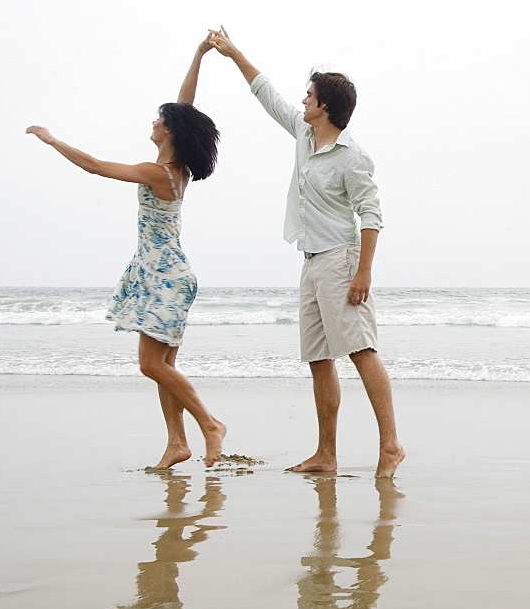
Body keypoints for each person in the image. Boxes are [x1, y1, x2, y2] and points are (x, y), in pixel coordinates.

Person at [208, 24, 405, 478]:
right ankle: (326, 454)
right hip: (311, 261)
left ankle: (391, 446)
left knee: (361, 350)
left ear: (325, 106)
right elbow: (266, 93)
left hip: (342, 261)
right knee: (318, 359)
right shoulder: (302, 132)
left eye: (309, 95)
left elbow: (371, 215)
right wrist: (235, 52)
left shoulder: (353, 157)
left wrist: (364, 273)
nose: (302, 101)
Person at [25, 37, 226, 469]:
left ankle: (210, 424)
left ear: (168, 131)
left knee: (151, 365)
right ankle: (177, 443)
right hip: (166, 273)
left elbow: (95, 166)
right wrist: (197, 57)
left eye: (159, 119)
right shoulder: (176, 169)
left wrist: (51, 140)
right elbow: (184, 106)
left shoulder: (157, 173)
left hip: (164, 276)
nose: (154, 121)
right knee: (163, 365)